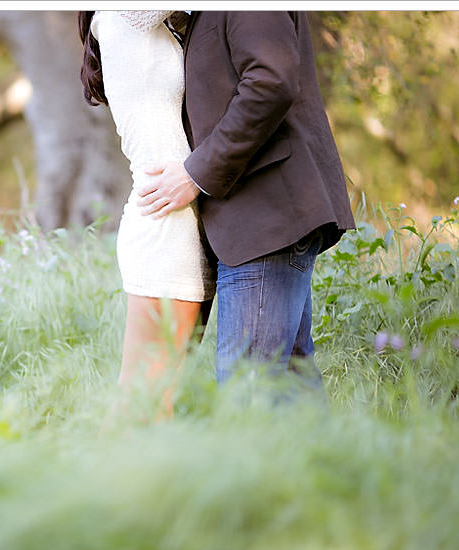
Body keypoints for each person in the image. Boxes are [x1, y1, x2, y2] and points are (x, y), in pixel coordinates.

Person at [135, 11, 356, 387]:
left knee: (248, 395)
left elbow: (271, 81)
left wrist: (195, 173)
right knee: (289, 392)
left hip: (267, 214)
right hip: (259, 220)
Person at [78, 10, 215, 417]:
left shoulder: (149, 22)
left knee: (161, 402)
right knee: (145, 401)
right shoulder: (125, 12)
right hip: (164, 228)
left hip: (179, 219)